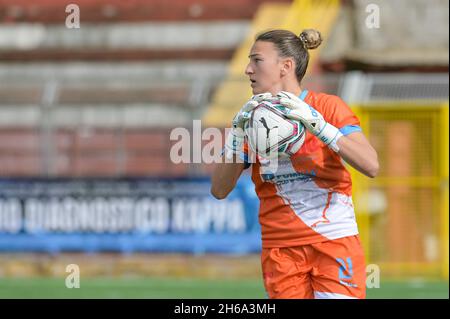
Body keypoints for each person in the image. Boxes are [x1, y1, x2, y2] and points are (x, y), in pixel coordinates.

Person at [210, 29, 379, 299]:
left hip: (333, 240)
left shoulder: (327, 106)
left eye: (256, 60)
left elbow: (371, 165)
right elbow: (219, 189)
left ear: (285, 66)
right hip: (281, 251)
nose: (247, 69)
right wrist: (236, 138)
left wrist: (321, 127)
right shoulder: (252, 118)